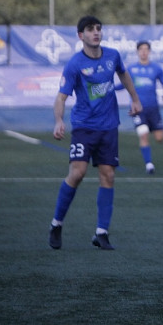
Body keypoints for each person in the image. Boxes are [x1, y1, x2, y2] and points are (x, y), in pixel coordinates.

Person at [48, 16, 143, 250]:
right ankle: (56, 224)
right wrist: (59, 120)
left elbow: (124, 74)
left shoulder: (113, 56)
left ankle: (101, 233)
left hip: (109, 126)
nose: (96, 32)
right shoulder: (74, 64)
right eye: (90, 29)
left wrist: (135, 99)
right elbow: (61, 97)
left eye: (98, 29)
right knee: (77, 173)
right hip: (83, 126)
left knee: (108, 175)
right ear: (81, 36)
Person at [118, 40, 163, 174]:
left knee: (159, 138)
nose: (144, 52)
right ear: (137, 52)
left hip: (153, 109)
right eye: (141, 49)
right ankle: (149, 164)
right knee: (143, 135)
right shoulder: (131, 69)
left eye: (146, 49)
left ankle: (152, 128)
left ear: (149, 51)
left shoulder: (156, 68)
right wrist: (110, 87)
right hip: (138, 109)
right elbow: (123, 84)